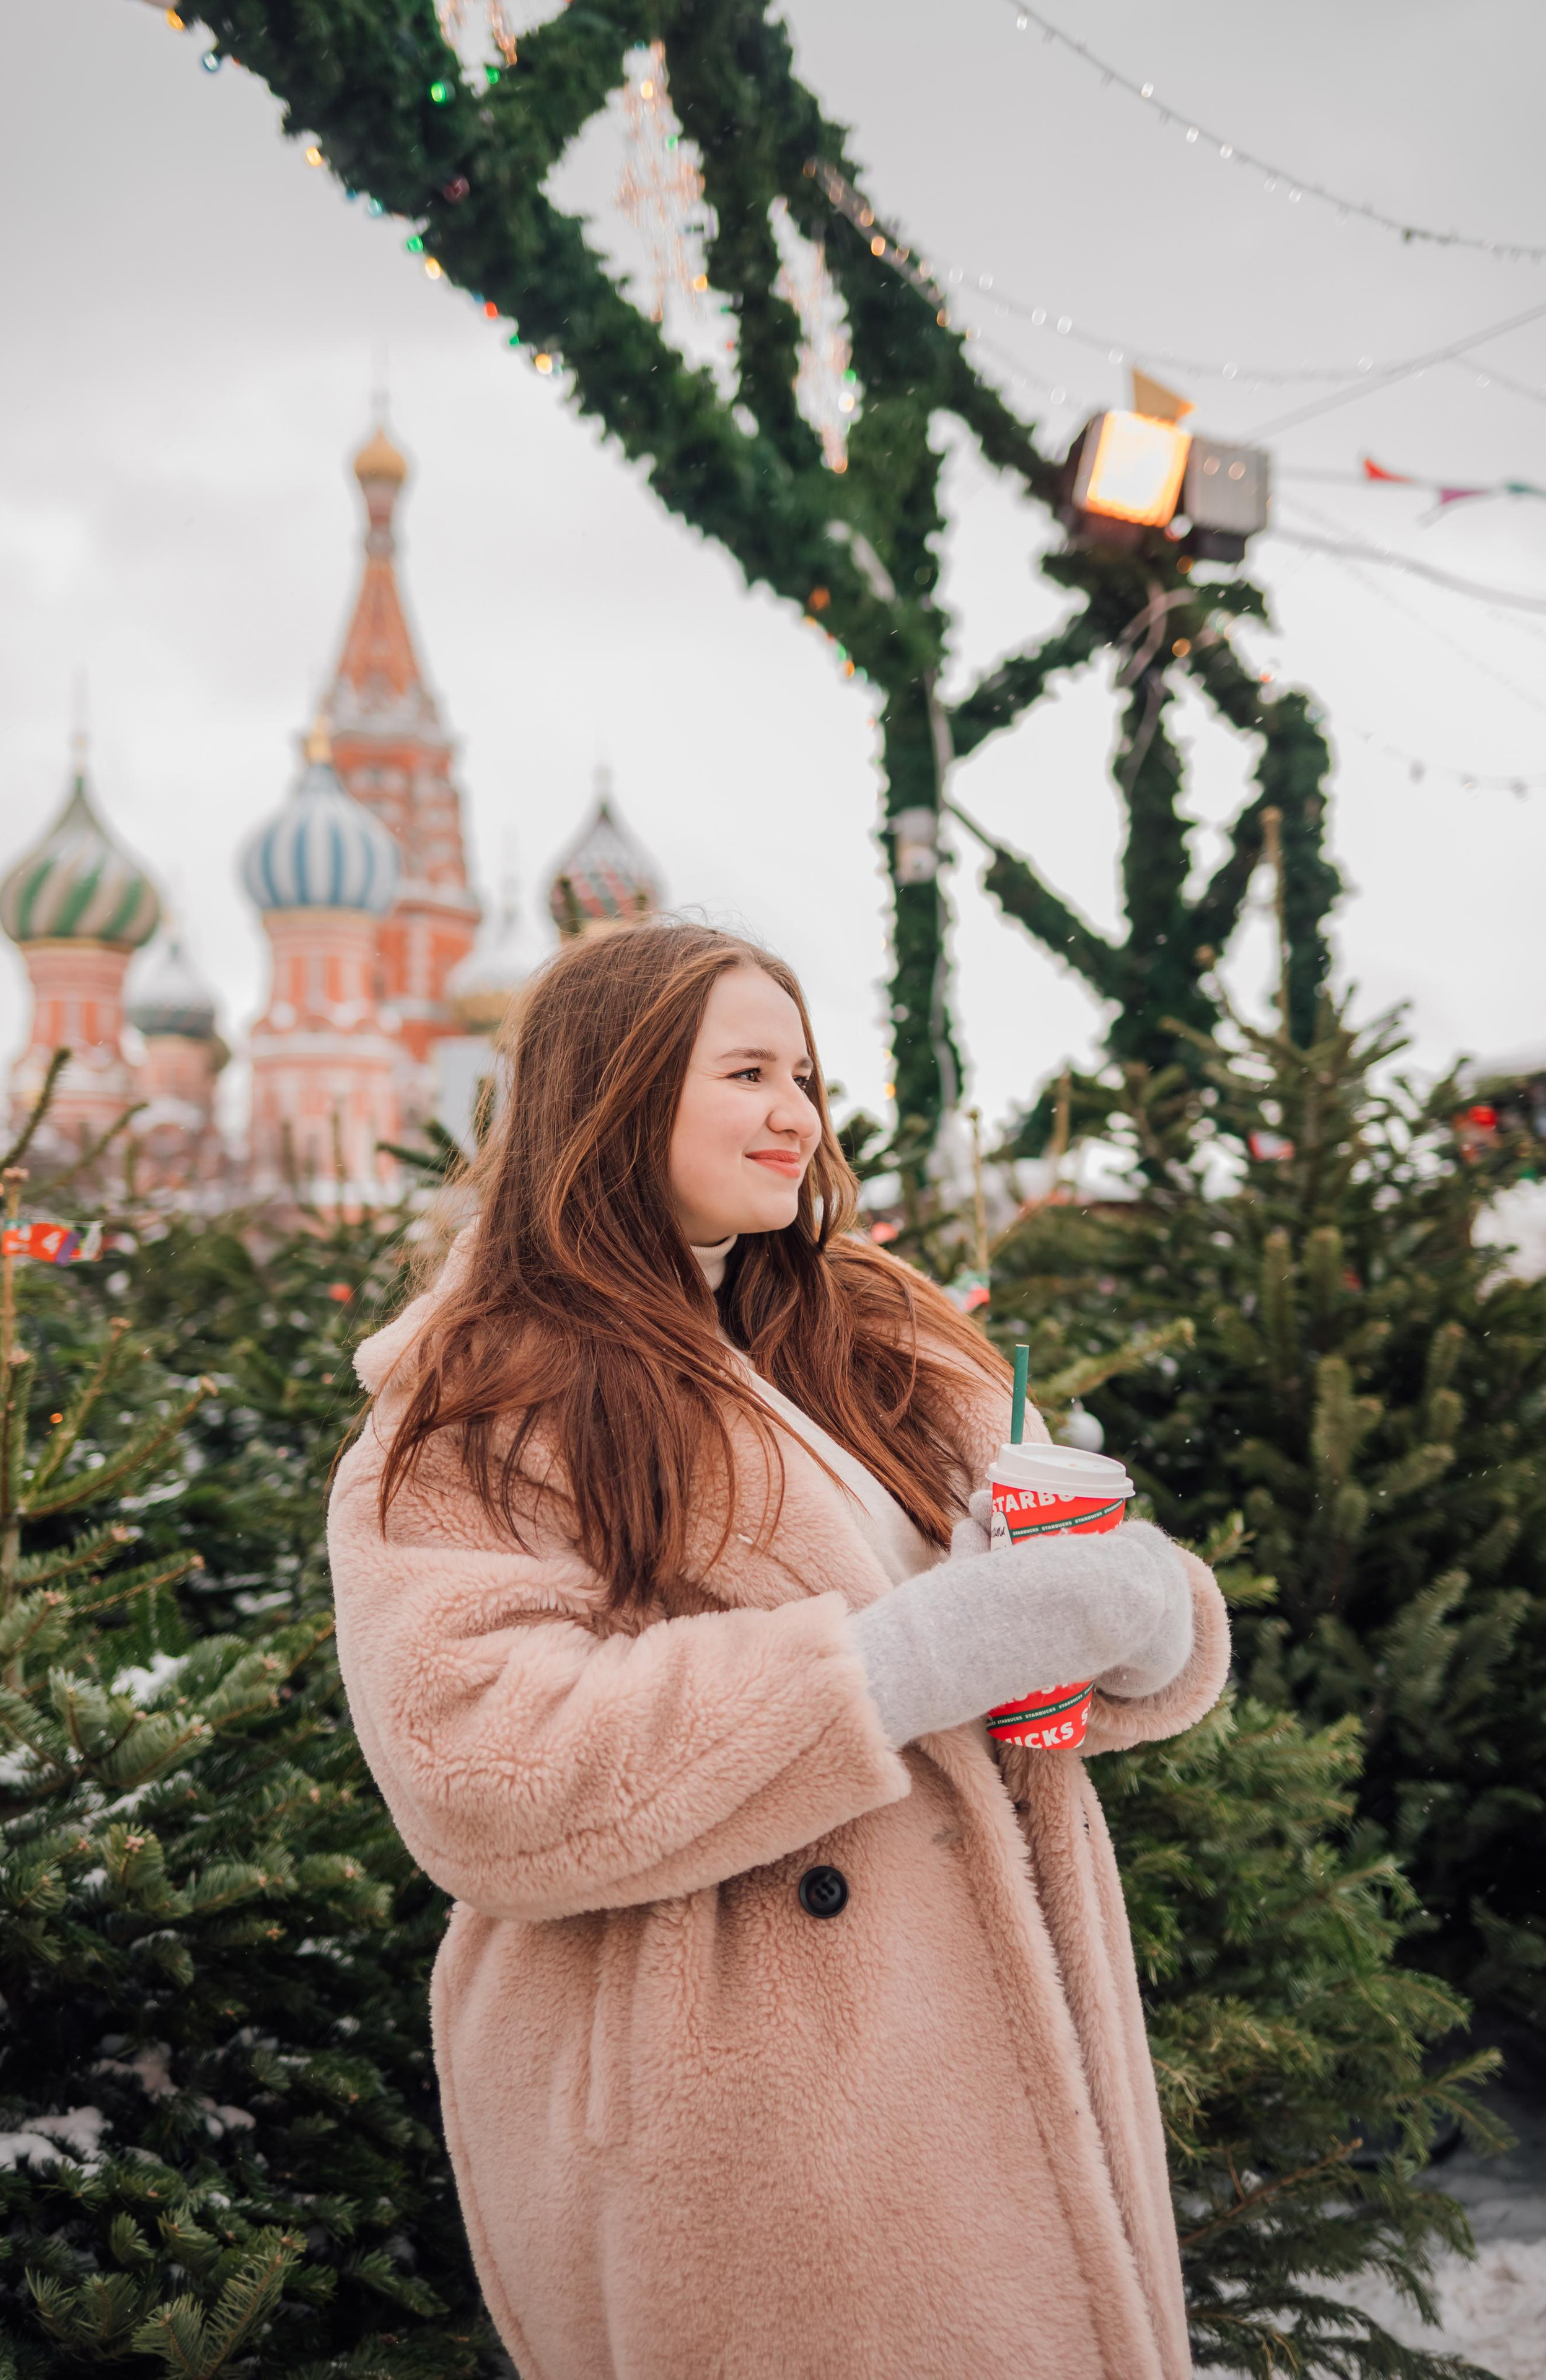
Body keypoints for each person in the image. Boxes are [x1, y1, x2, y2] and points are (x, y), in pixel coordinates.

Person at [328, 920, 1229, 2380]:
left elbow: (1030, 1590)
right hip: (750, 2101)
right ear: (612, 1095)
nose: (796, 1116)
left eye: (803, 1076)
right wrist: (902, 1661)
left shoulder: (866, 1337)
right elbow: (481, 1766)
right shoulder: (476, 1404)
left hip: (996, 2025)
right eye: (746, 1073)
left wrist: (1139, 1609)